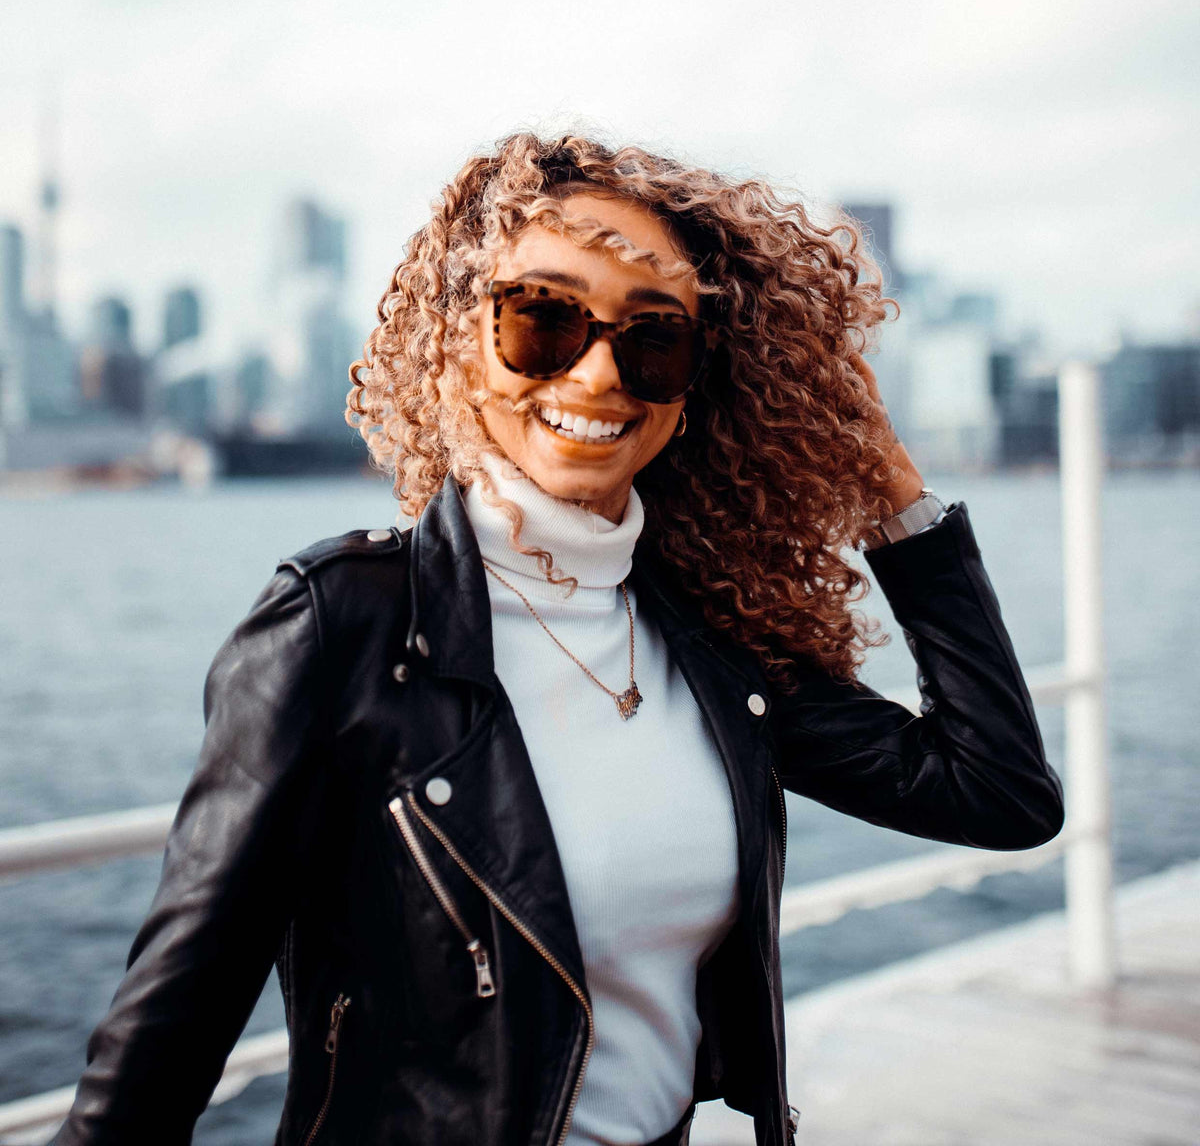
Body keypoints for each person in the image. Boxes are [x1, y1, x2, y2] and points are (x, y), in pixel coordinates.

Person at [53, 132, 1064, 1146]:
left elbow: (998, 793)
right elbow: (161, 1049)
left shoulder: (707, 645)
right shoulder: (343, 623)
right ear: (457, 342)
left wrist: (890, 493)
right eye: (541, 319)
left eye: (653, 338)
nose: (596, 375)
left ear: (692, 386)